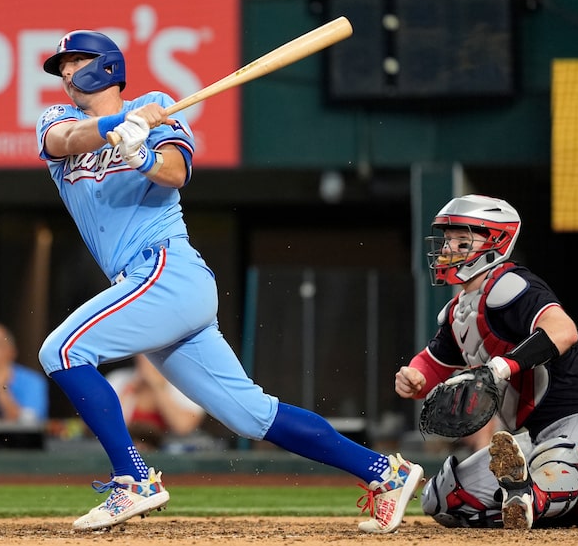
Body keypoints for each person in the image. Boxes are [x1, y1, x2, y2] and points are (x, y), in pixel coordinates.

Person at [36, 29, 423, 533]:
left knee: (61, 352)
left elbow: (175, 172)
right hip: (151, 287)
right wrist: (117, 126)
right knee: (249, 416)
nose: (66, 73)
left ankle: (132, 480)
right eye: (60, 66)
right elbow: (63, 141)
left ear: (105, 66)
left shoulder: (156, 105)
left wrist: (142, 154)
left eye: (75, 61)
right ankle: (384, 472)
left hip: (165, 269)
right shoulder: (59, 118)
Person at [395, 194, 578, 529]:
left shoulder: (511, 284)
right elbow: (431, 365)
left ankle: (534, 495)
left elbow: (563, 331)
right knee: (444, 500)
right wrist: (413, 376)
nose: (447, 248)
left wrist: (501, 368)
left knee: (554, 466)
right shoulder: (458, 312)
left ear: (496, 241)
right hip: (535, 437)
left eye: (461, 240)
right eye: (447, 239)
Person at [105, 354, 206, 451]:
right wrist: (130, 390)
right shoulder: (118, 379)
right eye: (146, 354)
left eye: (155, 353)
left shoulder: (186, 384)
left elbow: (183, 427)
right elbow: (103, 427)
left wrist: (156, 386)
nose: (151, 360)